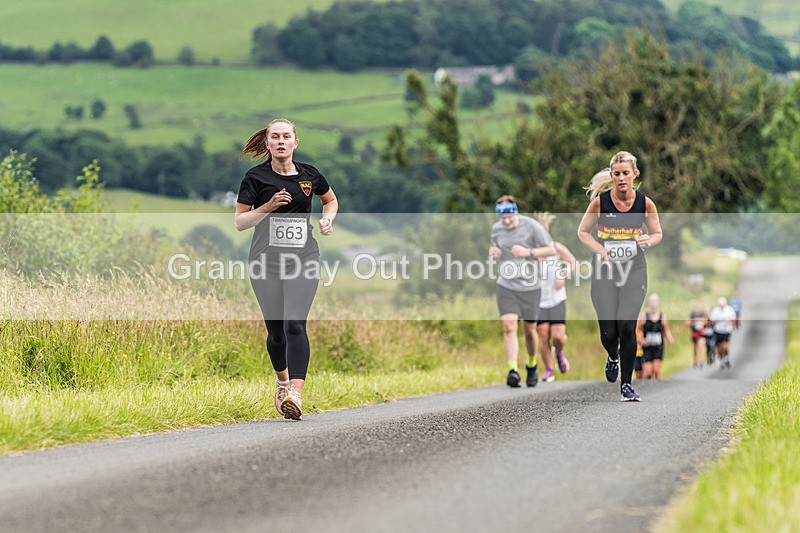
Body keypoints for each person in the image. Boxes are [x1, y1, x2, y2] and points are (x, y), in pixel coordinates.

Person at [235, 118, 338, 420]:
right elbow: (240, 222)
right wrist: (266, 207)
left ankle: (296, 392)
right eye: (275, 137)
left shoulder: (310, 175)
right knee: (276, 332)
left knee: (295, 324)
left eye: (286, 136)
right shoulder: (255, 178)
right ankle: (282, 383)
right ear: (267, 144)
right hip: (265, 262)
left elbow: (330, 201)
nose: (281, 141)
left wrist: (328, 219)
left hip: (303, 258)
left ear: (296, 142)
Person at [577, 152, 663, 401]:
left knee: (627, 326)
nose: (621, 178)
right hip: (605, 272)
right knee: (608, 334)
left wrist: (649, 239)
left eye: (626, 173)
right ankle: (612, 356)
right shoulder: (600, 204)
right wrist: (600, 249)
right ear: (612, 176)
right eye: (617, 174)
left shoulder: (645, 204)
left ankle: (626, 385)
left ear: (635, 174)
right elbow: (583, 231)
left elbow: (657, 233)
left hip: (634, 271)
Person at [489, 196, 556, 388]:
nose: (507, 221)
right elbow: (494, 247)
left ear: (516, 212)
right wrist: (493, 253)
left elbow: (551, 250)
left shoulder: (532, 226)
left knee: (529, 330)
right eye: (503, 218)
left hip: (530, 287)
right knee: (509, 326)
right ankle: (512, 370)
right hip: (506, 285)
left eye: (510, 217)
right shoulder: (496, 229)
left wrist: (528, 253)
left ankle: (532, 364)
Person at [533, 213, 576, 382]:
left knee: (558, 336)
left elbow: (572, 261)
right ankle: (549, 369)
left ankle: (558, 352)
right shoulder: (531, 251)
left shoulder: (556, 247)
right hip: (538, 301)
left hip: (557, 298)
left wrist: (562, 273)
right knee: (543, 335)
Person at [636, 293, 674, 380]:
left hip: (658, 346)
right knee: (647, 372)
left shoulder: (662, 316)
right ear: (649, 305)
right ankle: (649, 388)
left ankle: (658, 388)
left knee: (656, 370)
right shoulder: (644, 316)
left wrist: (670, 338)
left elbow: (666, 330)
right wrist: (641, 340)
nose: (653, 306)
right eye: (652, 304)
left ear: (658, 305)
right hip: (647, 347)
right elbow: (637, 330)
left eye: (655, 304)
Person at [709, 296, 737, 368]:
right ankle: (722, 359)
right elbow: (712, 320)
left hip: (727, 330)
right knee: (719, 348)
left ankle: (726, 357)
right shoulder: (715, 310)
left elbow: (734, 319)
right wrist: (716, 321)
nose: (721, 306)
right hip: (718, 331)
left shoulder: (729, 309)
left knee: (725, 345)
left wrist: (730, 322)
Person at [686, 301, 708, 369]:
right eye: (696, 308)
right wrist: (694, 322)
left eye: (698, 308)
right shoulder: (691, 315)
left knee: (701, 346)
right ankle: (695, 360)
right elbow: (687, 323)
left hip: (701, 333)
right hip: (694, 333)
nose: (697, 309)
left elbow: (706, 322)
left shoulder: (703, 314)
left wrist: (700, 320)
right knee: (695, 348)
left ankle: (701, 361)